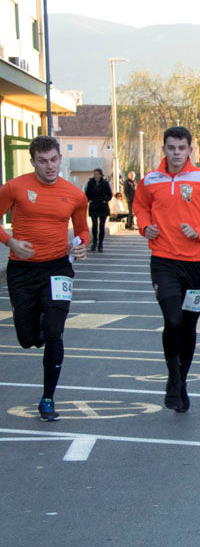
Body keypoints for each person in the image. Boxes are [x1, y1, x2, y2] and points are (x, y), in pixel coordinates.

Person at [133, 126, 200, 412]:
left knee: (188, 326)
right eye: (171, 148)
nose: (176, 153)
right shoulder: (150, 180)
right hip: (163, 261)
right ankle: (173, 378)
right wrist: (145, 226)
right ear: (163, 148)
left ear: (190, 149)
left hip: (197, 264)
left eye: (181, 148)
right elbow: (140, 208)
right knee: (173, 320)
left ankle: (181, 381)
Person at [0, 136, 89, 421]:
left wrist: (81, 245)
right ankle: (37, 323)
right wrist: (10, 242)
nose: (50, 166)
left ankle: (48, 398)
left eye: (54, 160)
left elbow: (82, 230)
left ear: (60, 158)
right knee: (27, 339)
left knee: (54, 333)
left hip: (58, 268)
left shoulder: (75, 195)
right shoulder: (14, 187)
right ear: (33, 162)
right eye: (43, 161)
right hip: (22, 270)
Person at [84, 168, 112, 252]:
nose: (95, 175)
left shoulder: (105, 183)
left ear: (100, 175)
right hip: (94, 206)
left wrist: (105, 200)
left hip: (102, 206)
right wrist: (89, 199)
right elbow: (87, 194)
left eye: (97, 174)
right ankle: (94, 242)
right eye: (94, 174)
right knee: (94, 225)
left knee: (102, 226)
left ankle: (100, 244)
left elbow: (110, 195)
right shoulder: (90, 182)